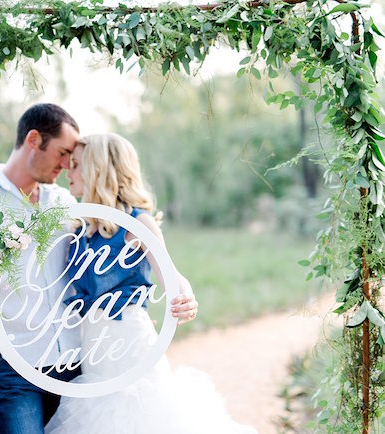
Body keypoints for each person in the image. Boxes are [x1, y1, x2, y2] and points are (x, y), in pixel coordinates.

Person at [0, 105, 199, 434]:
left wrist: (134, 309)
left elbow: (147, 262)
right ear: (34, 140)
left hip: (76, 360)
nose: (68, 165)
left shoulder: (68, 204)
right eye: (64, 153)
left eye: (75, 160)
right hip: (12, 364)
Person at [44, 133, 257, 434]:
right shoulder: (80, 229)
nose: (69, 171)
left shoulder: (138, 223)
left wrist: (185, 296)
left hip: (129, 344)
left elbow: (171, 274)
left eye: (76, 165)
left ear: (97, 169)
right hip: (92, 350)